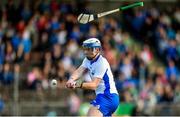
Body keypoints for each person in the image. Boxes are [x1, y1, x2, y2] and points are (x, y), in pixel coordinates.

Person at [66, 38, 119, 116]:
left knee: (91, 114)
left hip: (108, 96)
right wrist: (71, 79)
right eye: (85, 49)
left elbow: (94, 85)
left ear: (97, 50)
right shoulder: (87, 60)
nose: (86, 52)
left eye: (89, 49)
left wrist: (76, 84)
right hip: (104, 97)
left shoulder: (101, 63)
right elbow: (79, 71)